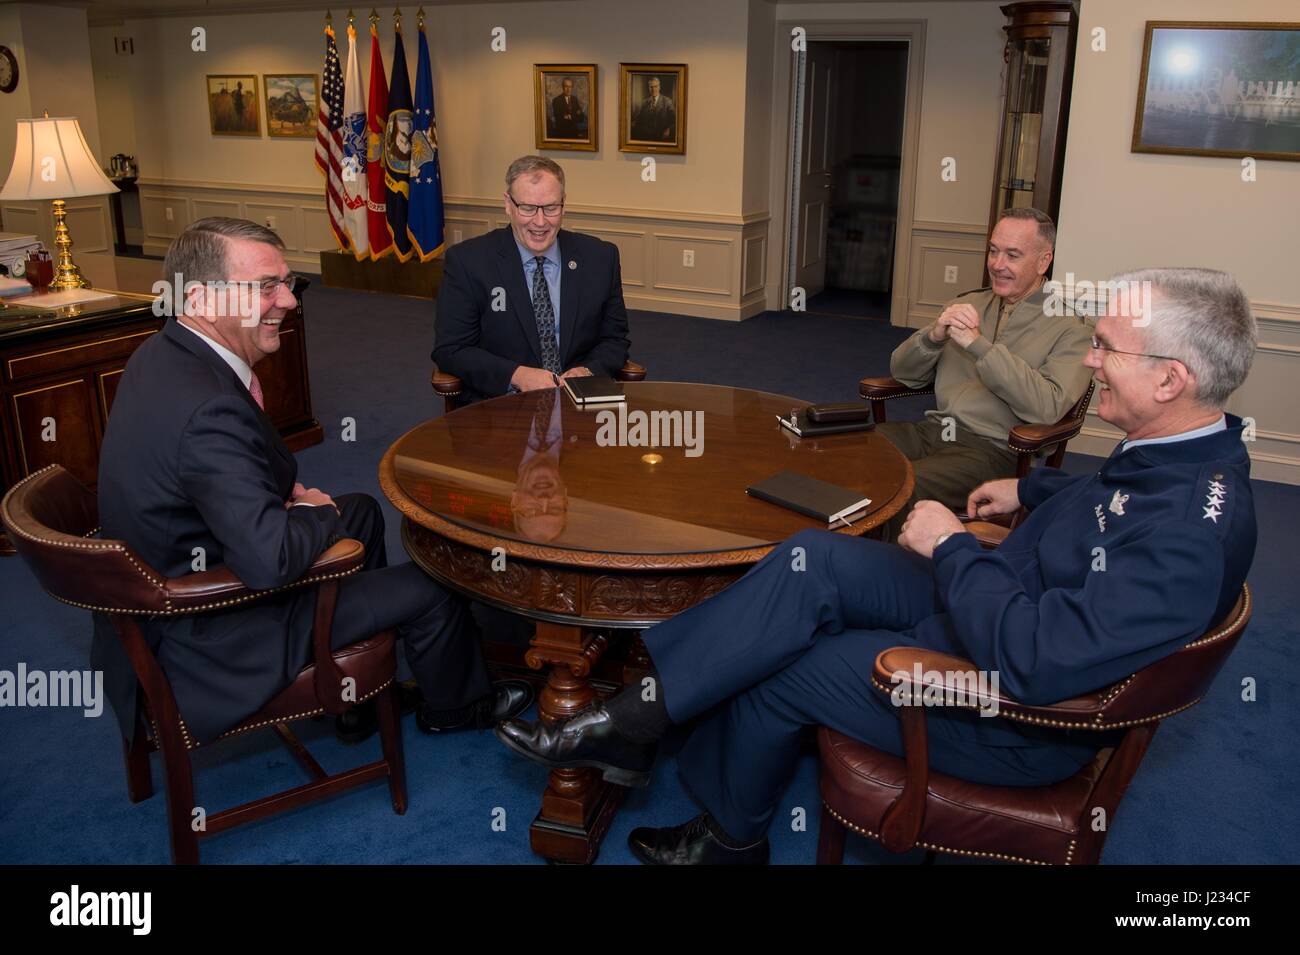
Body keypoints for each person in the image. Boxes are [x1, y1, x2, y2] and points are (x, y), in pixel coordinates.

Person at [497, 267, 1258, 864]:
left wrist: (954, 545)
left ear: (1170, 379)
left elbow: (1039, 660)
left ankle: (729, 839)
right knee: (812, 559)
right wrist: (1034, 485)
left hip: (1011, 707)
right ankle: (639, 715)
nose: (1091, 361)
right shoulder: (1185, 453)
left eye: (1106, 348)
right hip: (992, 600)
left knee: (786, 664)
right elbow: (1109, 503)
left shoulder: (1189, 532)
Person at [92, 217, 532, 748]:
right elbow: (268, 561)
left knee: (363, 512)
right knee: (434, 584)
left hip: (180, 569)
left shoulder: (164, 353)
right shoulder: (207, 409)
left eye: (288, 283)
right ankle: (456, 708)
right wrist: (313, 513)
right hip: (211, 627)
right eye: (265, 288)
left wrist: (298, 506)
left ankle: (354, 697)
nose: (290, 301)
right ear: (205, 300)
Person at [877, 208, 1093, 538]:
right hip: (933, 430)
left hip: (993, 451)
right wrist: (933, 336)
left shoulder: (1069, 328)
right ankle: (815, 549)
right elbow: (903, 373)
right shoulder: (970, 304)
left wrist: (980, 347)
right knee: (853, 454)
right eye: (993, 251)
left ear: (1043, 261)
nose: (997, 264)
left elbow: (1046, 409)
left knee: (899, 484)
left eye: (1012, 255)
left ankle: (868, 573)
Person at [432, 155, 631, 404]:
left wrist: (588, 371)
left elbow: (614, 339)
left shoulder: (600, 258)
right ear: (508, 204)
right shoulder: (468, 262)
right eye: (527, 208)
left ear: (563, 205)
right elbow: (451, 349)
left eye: (550, 208)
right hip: (501, 407)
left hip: (579, 402)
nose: (540, 222)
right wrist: (518, 375)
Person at [630, 76, 675, 142]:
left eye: (655, 86)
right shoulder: (645, 102)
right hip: (646, 137)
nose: (653, 89)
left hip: (661, 136)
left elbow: (674, 121)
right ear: (649, 88)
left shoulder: (667, 102)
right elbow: (639, 120)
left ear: (659, 87)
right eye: (651, 87)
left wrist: (669, 129)